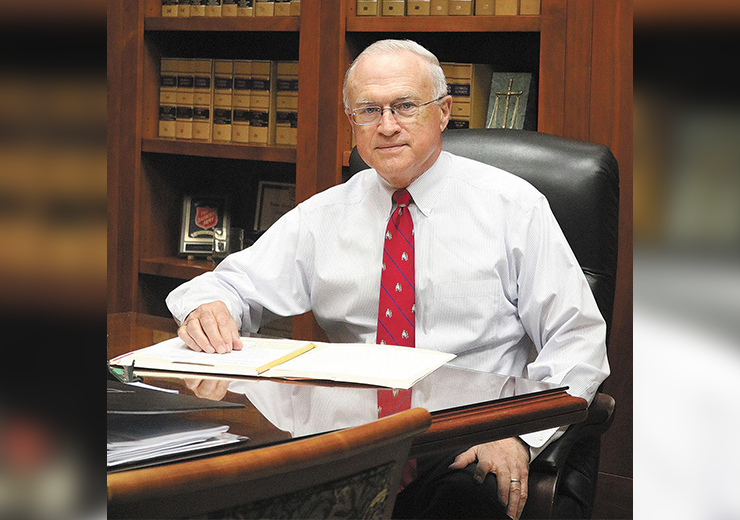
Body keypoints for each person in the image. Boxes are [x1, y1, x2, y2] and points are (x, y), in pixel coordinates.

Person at [166, 39, 609, 519]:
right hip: (351, 445)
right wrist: (204, 307)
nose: (388, 125)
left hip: (468, 439)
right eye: (369, 110)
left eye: (404, 106)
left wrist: (521, 434)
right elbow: (226, 286)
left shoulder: (512, 207)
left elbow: (578, 339)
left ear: (444, 112)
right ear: (352, 122)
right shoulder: (324, 216)